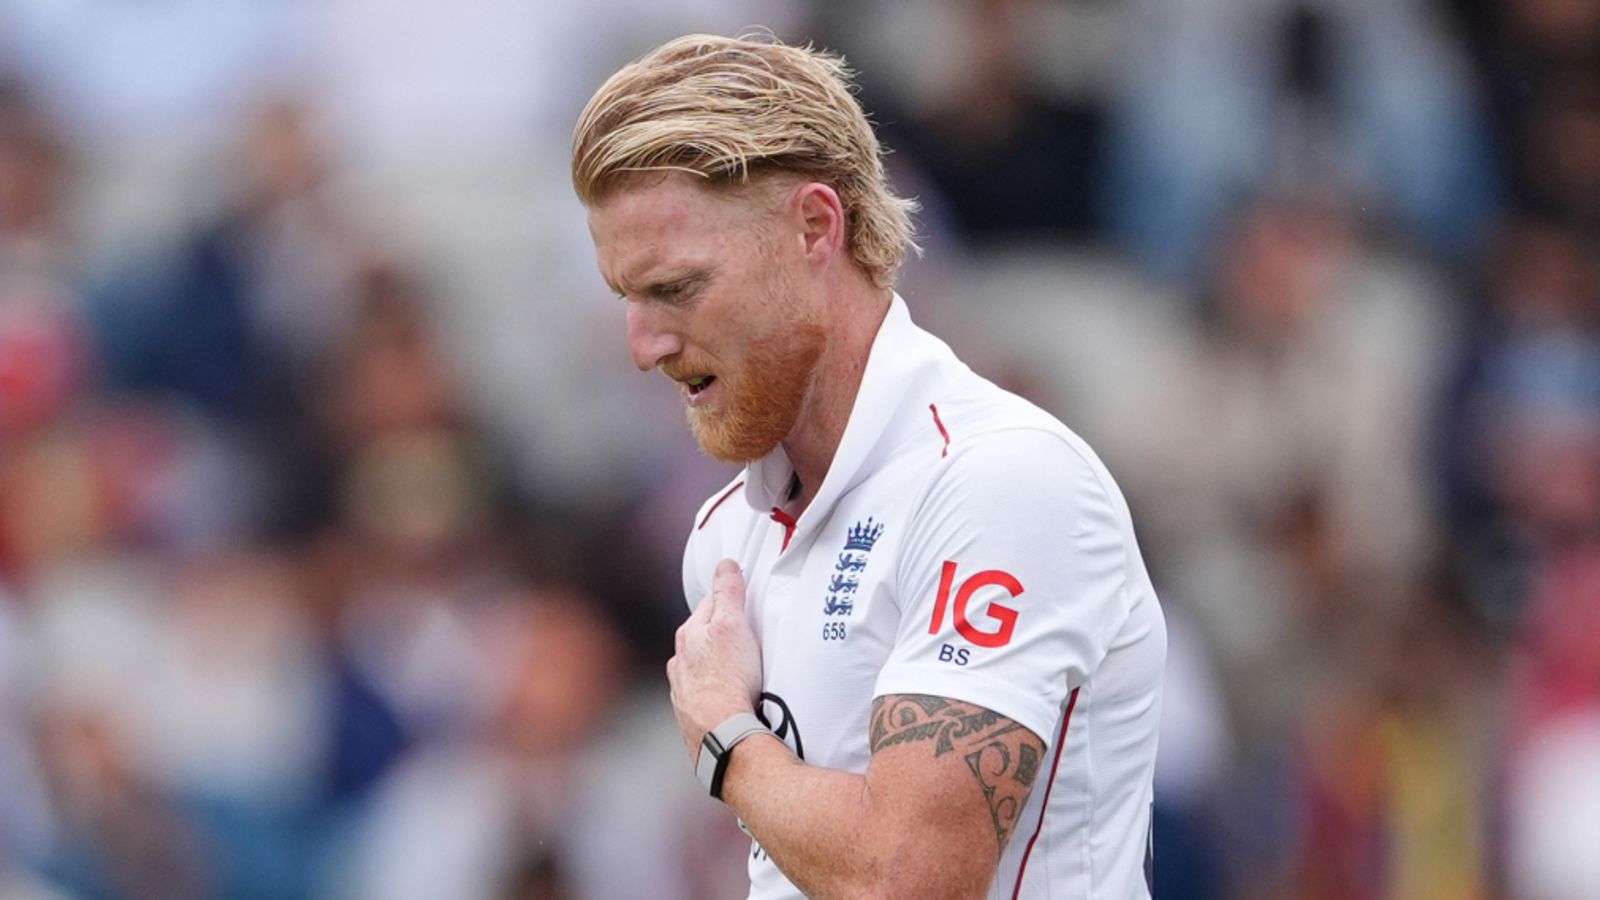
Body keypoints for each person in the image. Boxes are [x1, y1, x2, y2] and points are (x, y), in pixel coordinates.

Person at [571, 32, 1166, 899]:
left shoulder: (1003, 482)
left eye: (677, 288)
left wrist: (727, 739)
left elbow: (910, 881)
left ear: (815, 227)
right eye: (628, 296)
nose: (644, 346)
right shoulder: (724, 536)